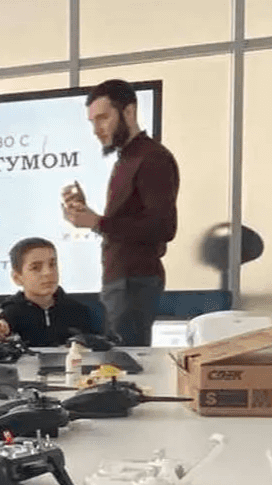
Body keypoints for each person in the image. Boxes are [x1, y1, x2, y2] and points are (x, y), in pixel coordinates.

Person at [62, 78, 180, 346]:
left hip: (133, 281)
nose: (96, 129)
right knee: (116, 361)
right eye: (92, 121)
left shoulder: (151, 158)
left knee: (124, 363)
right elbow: (126, 223)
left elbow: (163, 226)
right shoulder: (127, 158)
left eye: (103, 118)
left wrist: (98, 222)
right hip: (123, 279)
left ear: (129, 112)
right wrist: (91, 218)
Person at [0, 237, 95, 347]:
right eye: (35, 268)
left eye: (52, 264)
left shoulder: (78, 310)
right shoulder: (10, 315)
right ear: (17, 278)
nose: (48, 272)